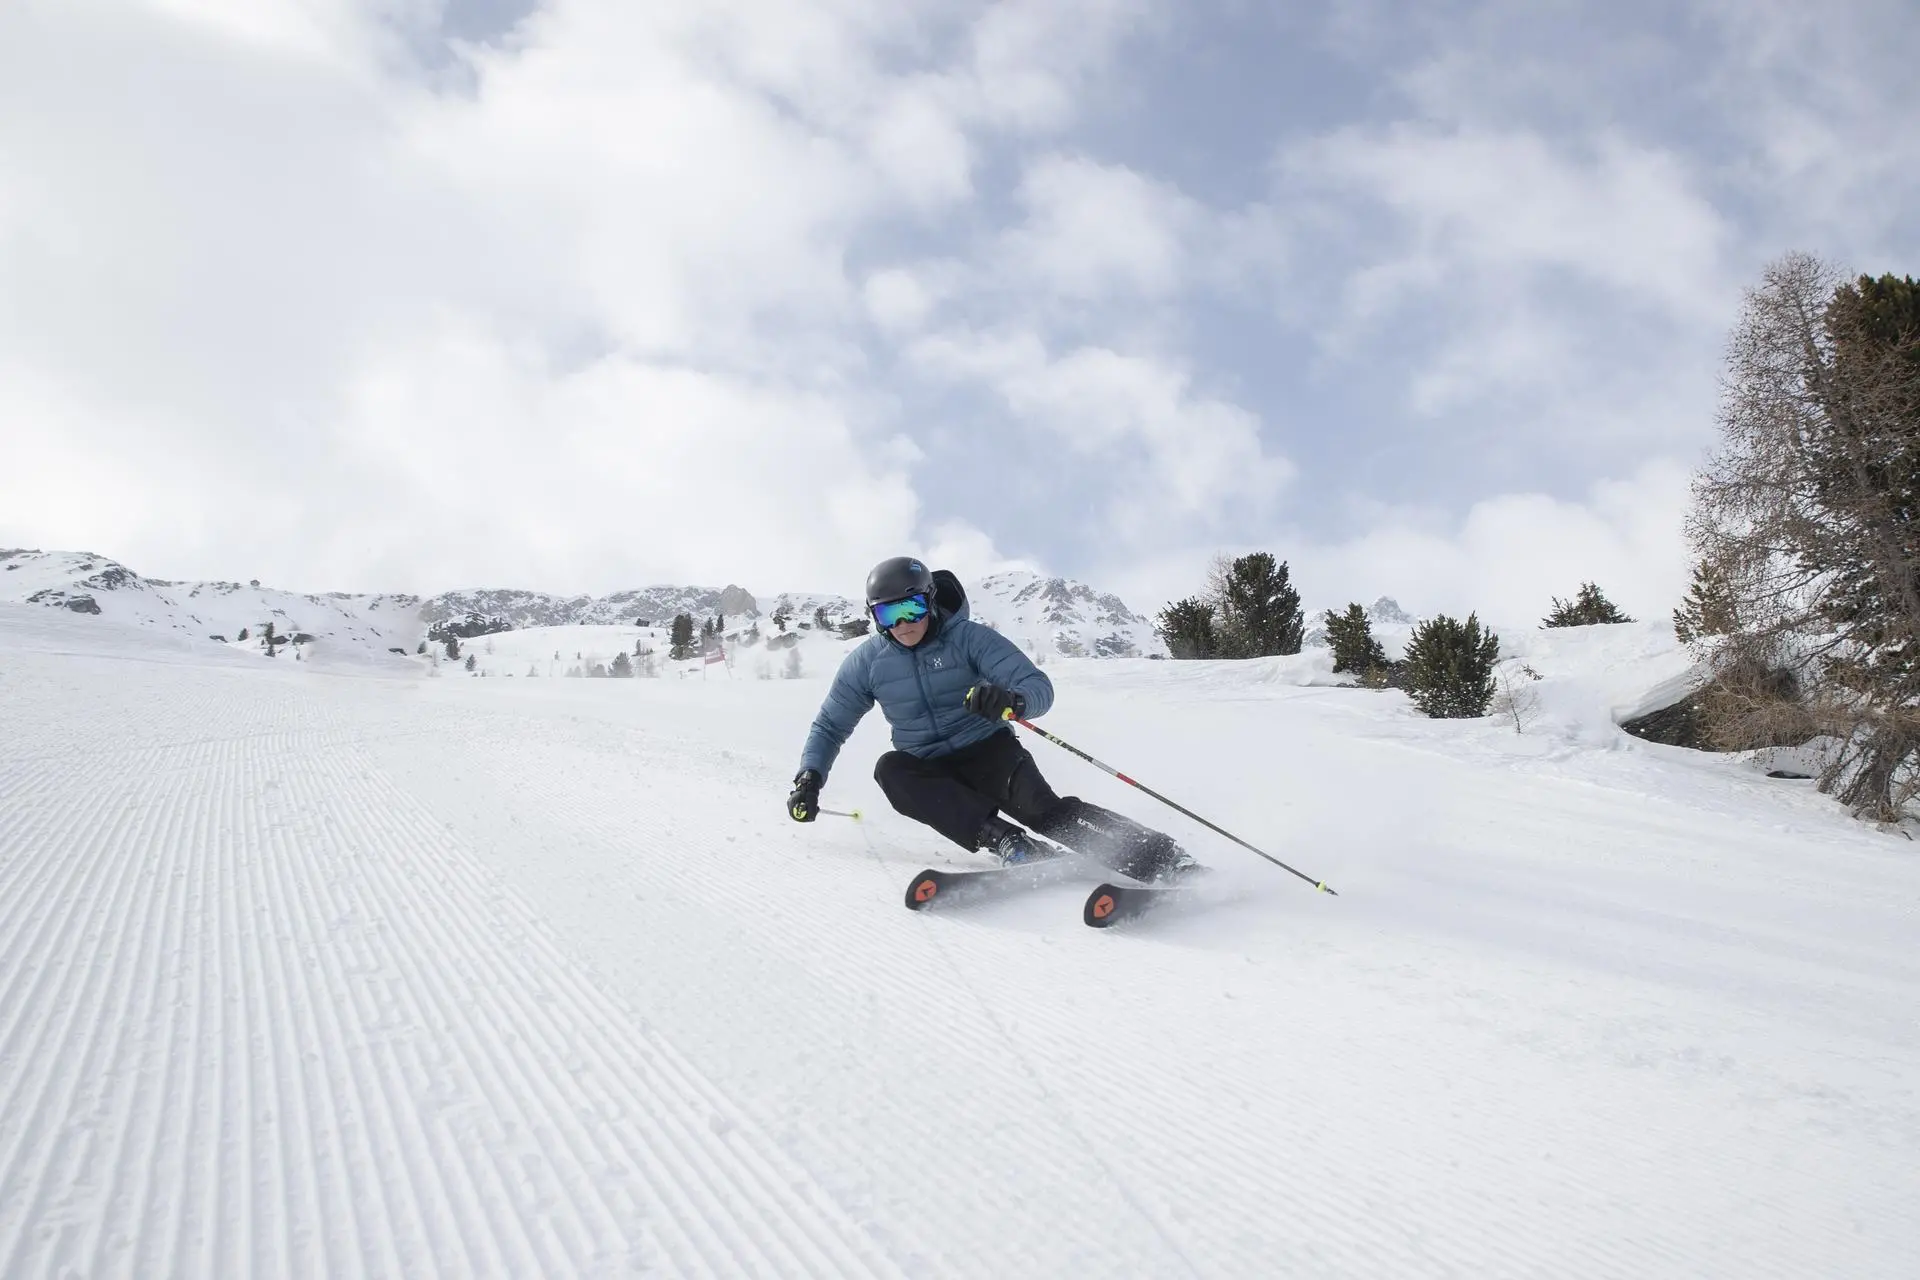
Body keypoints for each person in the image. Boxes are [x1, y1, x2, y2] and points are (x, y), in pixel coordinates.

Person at [785, 555, 1193, 880]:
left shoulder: (968, 638)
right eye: (890, 615)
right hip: (929, 769)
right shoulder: (867, 662)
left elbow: (1037, 686)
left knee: (1045, 812)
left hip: (989, 751)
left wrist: (1009, 700)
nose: (905, 624)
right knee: (891, 769)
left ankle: (1164, 860)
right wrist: (810, 778)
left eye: (912, 608)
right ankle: (1009, 844)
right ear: (875, 617)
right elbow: (831, 725)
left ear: (929, 599)